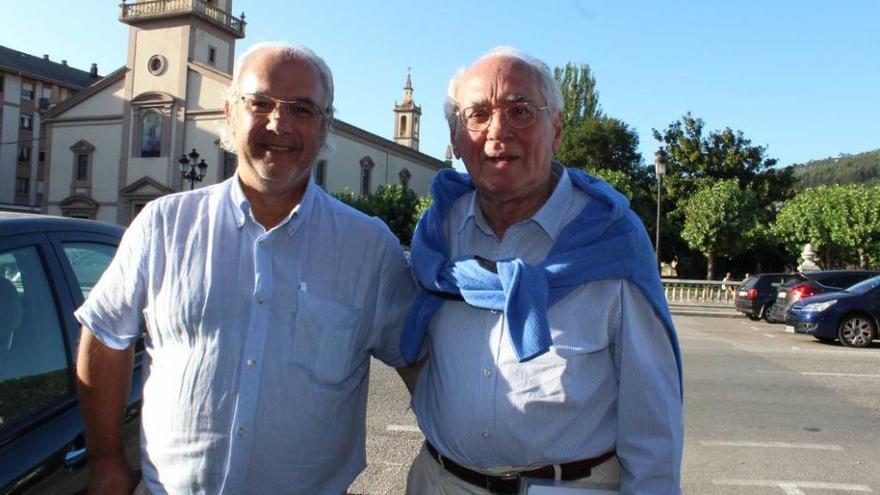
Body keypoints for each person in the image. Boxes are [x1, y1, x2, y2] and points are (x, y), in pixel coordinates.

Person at [75, 42, 417, 495]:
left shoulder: (369, 248)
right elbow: (104, 333)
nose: (279, 123)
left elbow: (420, 359)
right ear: (230, 114)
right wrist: (106, 460)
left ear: (325, 126)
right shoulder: (163, 224)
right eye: (260, 103)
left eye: (301, 109)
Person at [401, 47, 683, 494]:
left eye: (521, 111)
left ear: (556, 130)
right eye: (478, 114)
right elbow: (404, 343)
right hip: (441, 482)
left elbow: (652, 419)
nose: (498, 132)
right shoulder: (437, 235)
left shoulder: (612, 239)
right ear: (456, 138)